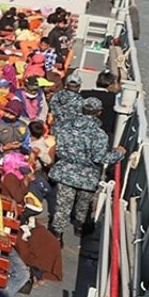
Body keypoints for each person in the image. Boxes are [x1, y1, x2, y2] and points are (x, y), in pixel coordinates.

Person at [48, 98, 126, 241]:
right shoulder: (99, 135)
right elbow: (100, 158)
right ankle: (79, 229)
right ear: (99, 112)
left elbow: (56, 140)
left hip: (65, 172)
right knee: (83, 207)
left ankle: (57, 237)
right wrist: (119, 153)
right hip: (87, 177)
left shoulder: (64, 127)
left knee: (62, 207)